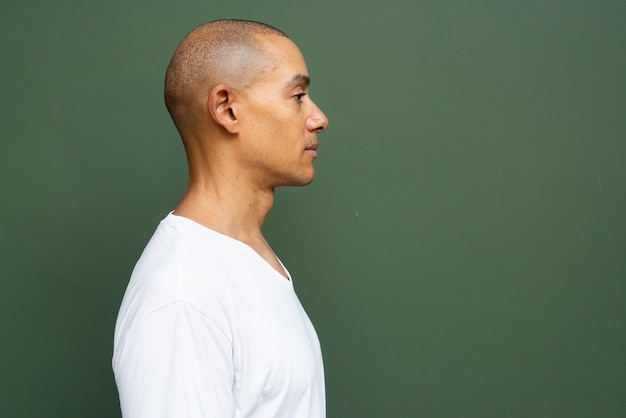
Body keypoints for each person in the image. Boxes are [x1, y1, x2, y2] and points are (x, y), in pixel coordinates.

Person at [112, 19, 329, 418]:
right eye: (298, 96)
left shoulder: (247, 262)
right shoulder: (184, 293)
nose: (318, 118)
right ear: (227, 108)